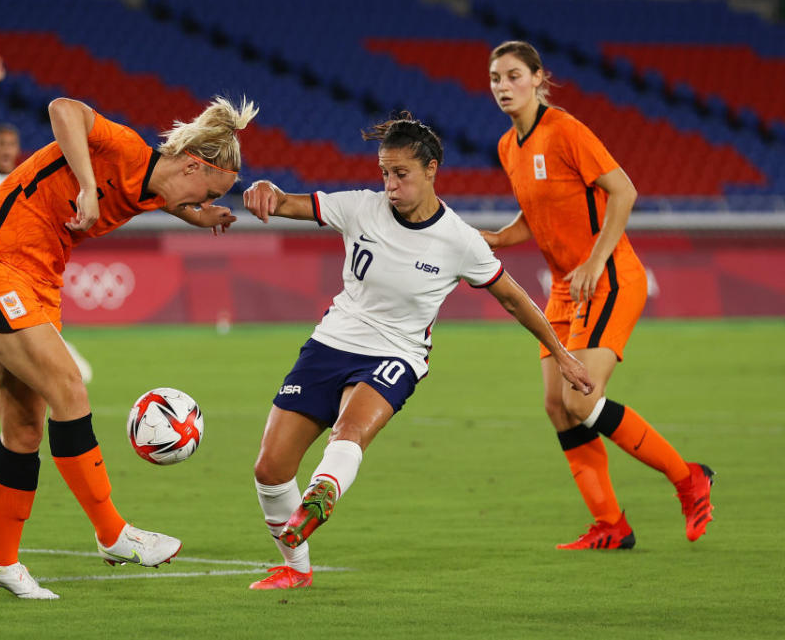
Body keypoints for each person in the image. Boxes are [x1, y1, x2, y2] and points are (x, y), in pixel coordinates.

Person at [241, 112, 594, 590]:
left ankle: (323, 491)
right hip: (331, 343)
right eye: (385, 173)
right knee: (270, 468)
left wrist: (563, 355)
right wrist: (264, 188)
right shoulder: (361, 207)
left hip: (397, 354)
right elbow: (286, 203)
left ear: (431, 170)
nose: (390, 184)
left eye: (401, 173)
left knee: (349, 430)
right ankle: (296, 567)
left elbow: (513, 296)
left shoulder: (460, 241)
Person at [0, 94, 256, 598]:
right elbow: (61, 108)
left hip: (39, 278)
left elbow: (163, 198)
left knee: (23, 428)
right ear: (191, 165)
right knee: (70, 388)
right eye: (207, 191)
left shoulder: (154, 189)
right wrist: (88, 188)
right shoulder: (128, 150)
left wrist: (198, 217)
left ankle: (0, 561)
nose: (204, 200)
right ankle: (113, 533)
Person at [483, 40, 714, 550]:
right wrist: (499, 238)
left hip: (607, 277)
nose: (504, 86)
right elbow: (540, 213)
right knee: (556, 404)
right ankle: (611, 524)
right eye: (496, 77)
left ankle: (689, 478)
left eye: (514, 75)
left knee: (580, 397)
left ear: (539, 79)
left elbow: (624, 190)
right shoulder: (507, 147)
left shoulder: (565, 130)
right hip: (566, 289)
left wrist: (593, 259)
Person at [0, 55, 91, 422]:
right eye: (0, 143)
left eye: (11, 144)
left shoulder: (25, 181)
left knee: (25, 327)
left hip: (17, 264)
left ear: (17, 149)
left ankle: (64, 357)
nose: (5, 149)